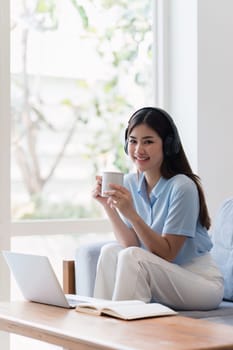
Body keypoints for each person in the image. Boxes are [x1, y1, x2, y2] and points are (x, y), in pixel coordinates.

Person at [92, 106, 224, 310]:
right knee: (111, 251)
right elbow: (130, 243)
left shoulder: (182, 187)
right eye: (133, 141)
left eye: (148, 141)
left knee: (132, 257)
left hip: (200, 282)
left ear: (168, 145)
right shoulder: (129, 183)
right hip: (163, 274)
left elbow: (167, 254)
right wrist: (108, 206)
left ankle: (121, 327)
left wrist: (131, 214)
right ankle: (101, 321)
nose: (138, 150)